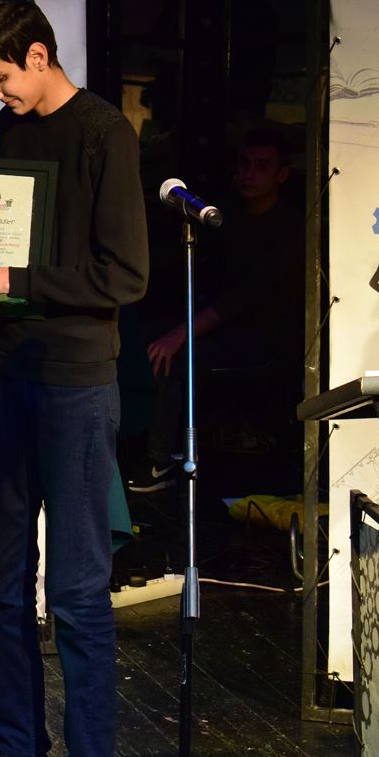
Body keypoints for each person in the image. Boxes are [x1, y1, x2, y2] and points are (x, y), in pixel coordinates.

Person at [0, 0, 149, 757]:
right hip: (10, 373)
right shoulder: (11, 133)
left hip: (76, 386)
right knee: (1, 578)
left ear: (38, 55)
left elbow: (123, 275)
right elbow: (13, 258)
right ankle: (20, 745)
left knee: (79, 589)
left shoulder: (103, 134)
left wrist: (3, 277)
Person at [126, 126, 302, 493]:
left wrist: (179, 334)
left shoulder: (289, 227)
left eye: (262, 166)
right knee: (135, 336)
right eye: (244, 163)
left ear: (282, 175)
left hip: (262, 338)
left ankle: (159, 460)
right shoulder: (228, 211)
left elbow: (241, 297)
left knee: (169, 353)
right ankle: (128, 444)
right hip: (218, 324)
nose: (248, 173)